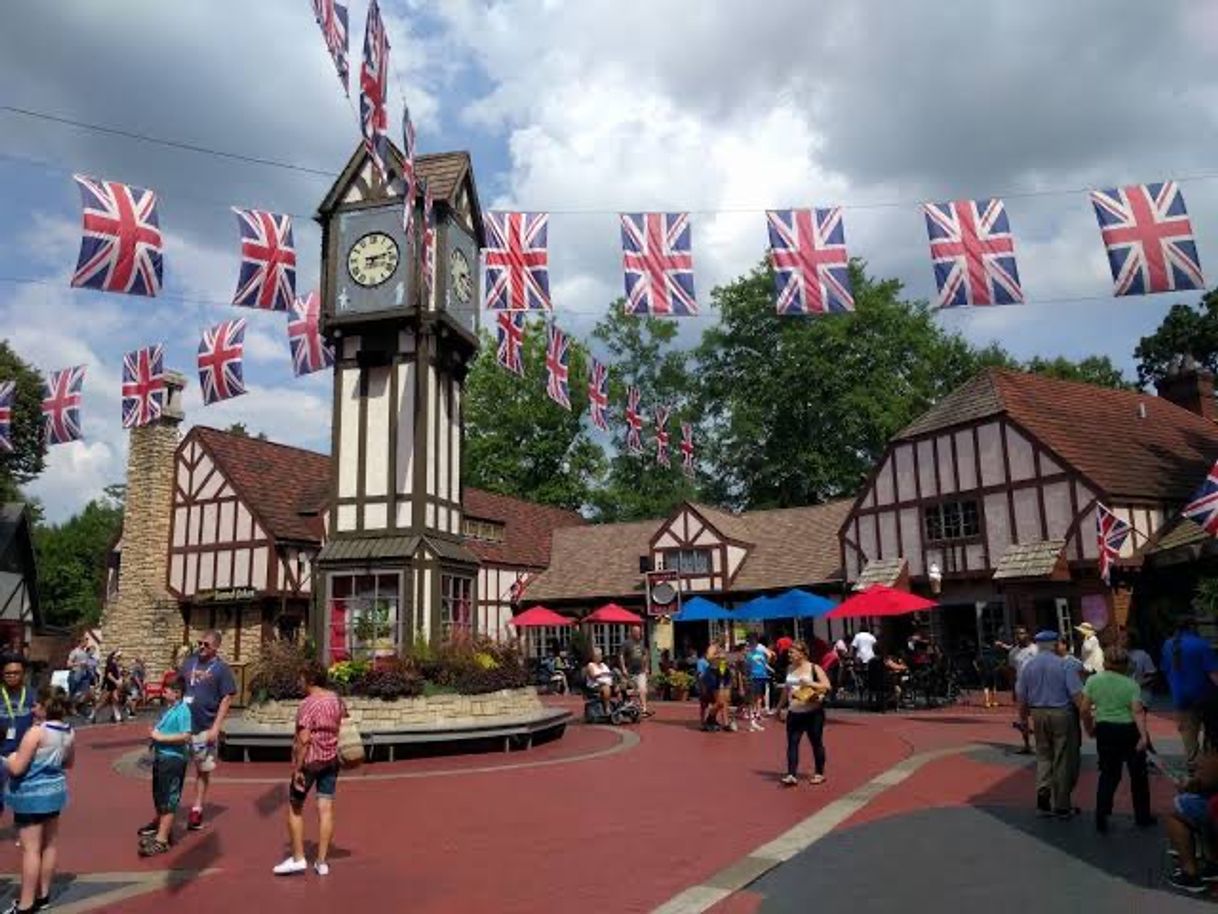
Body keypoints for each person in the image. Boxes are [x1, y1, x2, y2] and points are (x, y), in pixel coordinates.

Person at [4, 687, 74, 914]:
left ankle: (25, 904)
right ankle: (43, 895)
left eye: (36, 705)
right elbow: (68, 763)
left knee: (31, 850)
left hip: (32, 796)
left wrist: (7, 757)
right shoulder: (69, 731)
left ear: (45, 707)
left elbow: (17, 767)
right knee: (50, 844)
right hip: (55, 792)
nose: (32, 708)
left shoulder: (36, 732)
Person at [274, 662, 345, 876]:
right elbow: (343, 722)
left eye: (301, 677)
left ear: (310, 679)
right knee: (326, 809)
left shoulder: (307, 704)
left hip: (310, 761)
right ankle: (322, 862)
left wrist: (297, 769)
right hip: (331, 759)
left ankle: (298, 858)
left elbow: (304, 740)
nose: (299, 682)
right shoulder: (336, 699)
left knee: (295, 808)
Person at [1080, 646, 1154, 833]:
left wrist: (1090, 728)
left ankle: (1102, 813)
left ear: (1105, 662)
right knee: (1138, 775)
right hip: (1128, 729)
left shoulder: (1093, 681)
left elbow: (1084, 709)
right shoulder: (1131, 684)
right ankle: (1142, 816)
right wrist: (1143, 736)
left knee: (1108, 773)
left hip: (1105, 728)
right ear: (1125, 665)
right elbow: (1137, 711)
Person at [1015, 630, 1085, 818]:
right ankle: (1062, 804)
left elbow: (1021, 697)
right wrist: (1087, 716)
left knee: (1044, 755)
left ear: (1038, 645)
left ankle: (1043, 798)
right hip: (1061, 712)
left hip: (1037, 712)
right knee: (1062, 757)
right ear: (1055, 644)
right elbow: (1077, 695)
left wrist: (1023, 720)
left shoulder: (1028, 666)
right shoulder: (1064, 665)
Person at [179, 630, 238, 832]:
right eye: (200, 643)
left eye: (206, 645)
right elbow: (179, 687)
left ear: (215, 647)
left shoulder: (221, 669)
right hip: (183, 725)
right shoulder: (189, 663)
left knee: (202, 769)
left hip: (205, 725)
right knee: (175, 766)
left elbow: (227, 698)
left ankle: (197, 807)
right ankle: (168, 807)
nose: (201, 647)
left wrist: (216, 727)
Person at [1164, 702, 1218, 894]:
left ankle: (1190, 872)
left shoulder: (1214, 749)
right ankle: (1212, 860)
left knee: (1177, 811)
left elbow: (1205, 782)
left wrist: (1189, 783)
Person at [137, 675, 191, 856]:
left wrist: (161, 738)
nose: (163, 692)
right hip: (162, 758)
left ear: (177, 693)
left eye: (166, 690)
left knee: (169, 799)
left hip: (173, 760)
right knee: (160, 795)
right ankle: (163, 832)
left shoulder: (183, 711)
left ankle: (161, 840)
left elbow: (185, 735)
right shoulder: (170, 710)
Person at [1161, 615, 1218, 772]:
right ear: (1193, 627)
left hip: (1181, 699)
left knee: (1189, 740)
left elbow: (1166, 670)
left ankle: (1194, 772)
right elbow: (1214, 675)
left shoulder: (1167, 645)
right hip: (1206, 698)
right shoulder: (1201, 645)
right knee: (1212, 736)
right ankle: (1211, 769)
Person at [775, 641, 831, 786]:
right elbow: (786, 690)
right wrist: (779, 708)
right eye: (789, 652)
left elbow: (827, 685)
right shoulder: (789, 668)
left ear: (802, 654)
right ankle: (791, 774)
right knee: (792, 743)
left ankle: (819, 773)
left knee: (816, 742)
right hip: (794, 711)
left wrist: (810, 684)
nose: (790, 655)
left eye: (792, 652)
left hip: (812, 712)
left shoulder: (814, 668)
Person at [619, 626, 650, 717]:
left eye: (639, 632)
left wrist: (646, 667)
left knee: (642, 689)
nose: (638, 634)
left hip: (640, 671)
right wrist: (623, 668)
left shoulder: (641, 643)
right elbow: (621, 656)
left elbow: (645, 655)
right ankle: (628, 705)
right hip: (629, 671)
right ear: (632, 632)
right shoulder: (626, 643)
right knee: (628, 690)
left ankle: (644, 708)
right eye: (636, 632)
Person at [89, 650, 125, 725]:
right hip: (109, 685)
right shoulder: (110, 664)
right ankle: (93, 714)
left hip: (114, 686)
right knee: (103, 701)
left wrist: (120, 679)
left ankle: (117, 715)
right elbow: (109, 675)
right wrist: (116, 681)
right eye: (118, 655)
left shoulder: (116, 664)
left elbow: (119, 674)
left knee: (115, 700)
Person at [1123, 631, 1157, 710]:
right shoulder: (1114, 654)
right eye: (1120, 637)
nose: (1120, 640)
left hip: (1140, 694)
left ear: (1131, 640)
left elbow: (1152, 676)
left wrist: (1140, 683)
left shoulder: (1142, 655)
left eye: (1124, 638)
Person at [746, 636, 773, 731]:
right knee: (752, 699)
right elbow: (747, 667)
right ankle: (751, 721)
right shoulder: (749, 654)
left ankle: (755, 718)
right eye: (751, 642)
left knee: (759, 696)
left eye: (754, 642)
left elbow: (765, 662)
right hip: (753, 677)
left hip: (762, 676)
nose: (753, 644)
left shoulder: (761, 652)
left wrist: (770, 669)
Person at [585, 649, 615, 717]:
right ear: (594, 657)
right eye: (598, 655)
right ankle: (607, 708)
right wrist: (601, 674)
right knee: (605, 687)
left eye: (600, 655)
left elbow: (609, 673)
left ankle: (621, 705)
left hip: (607, 682)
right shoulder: (590, 665)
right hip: (595, 685)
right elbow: (592, 676)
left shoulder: (603, 665)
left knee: (620, 687)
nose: (600, 657)